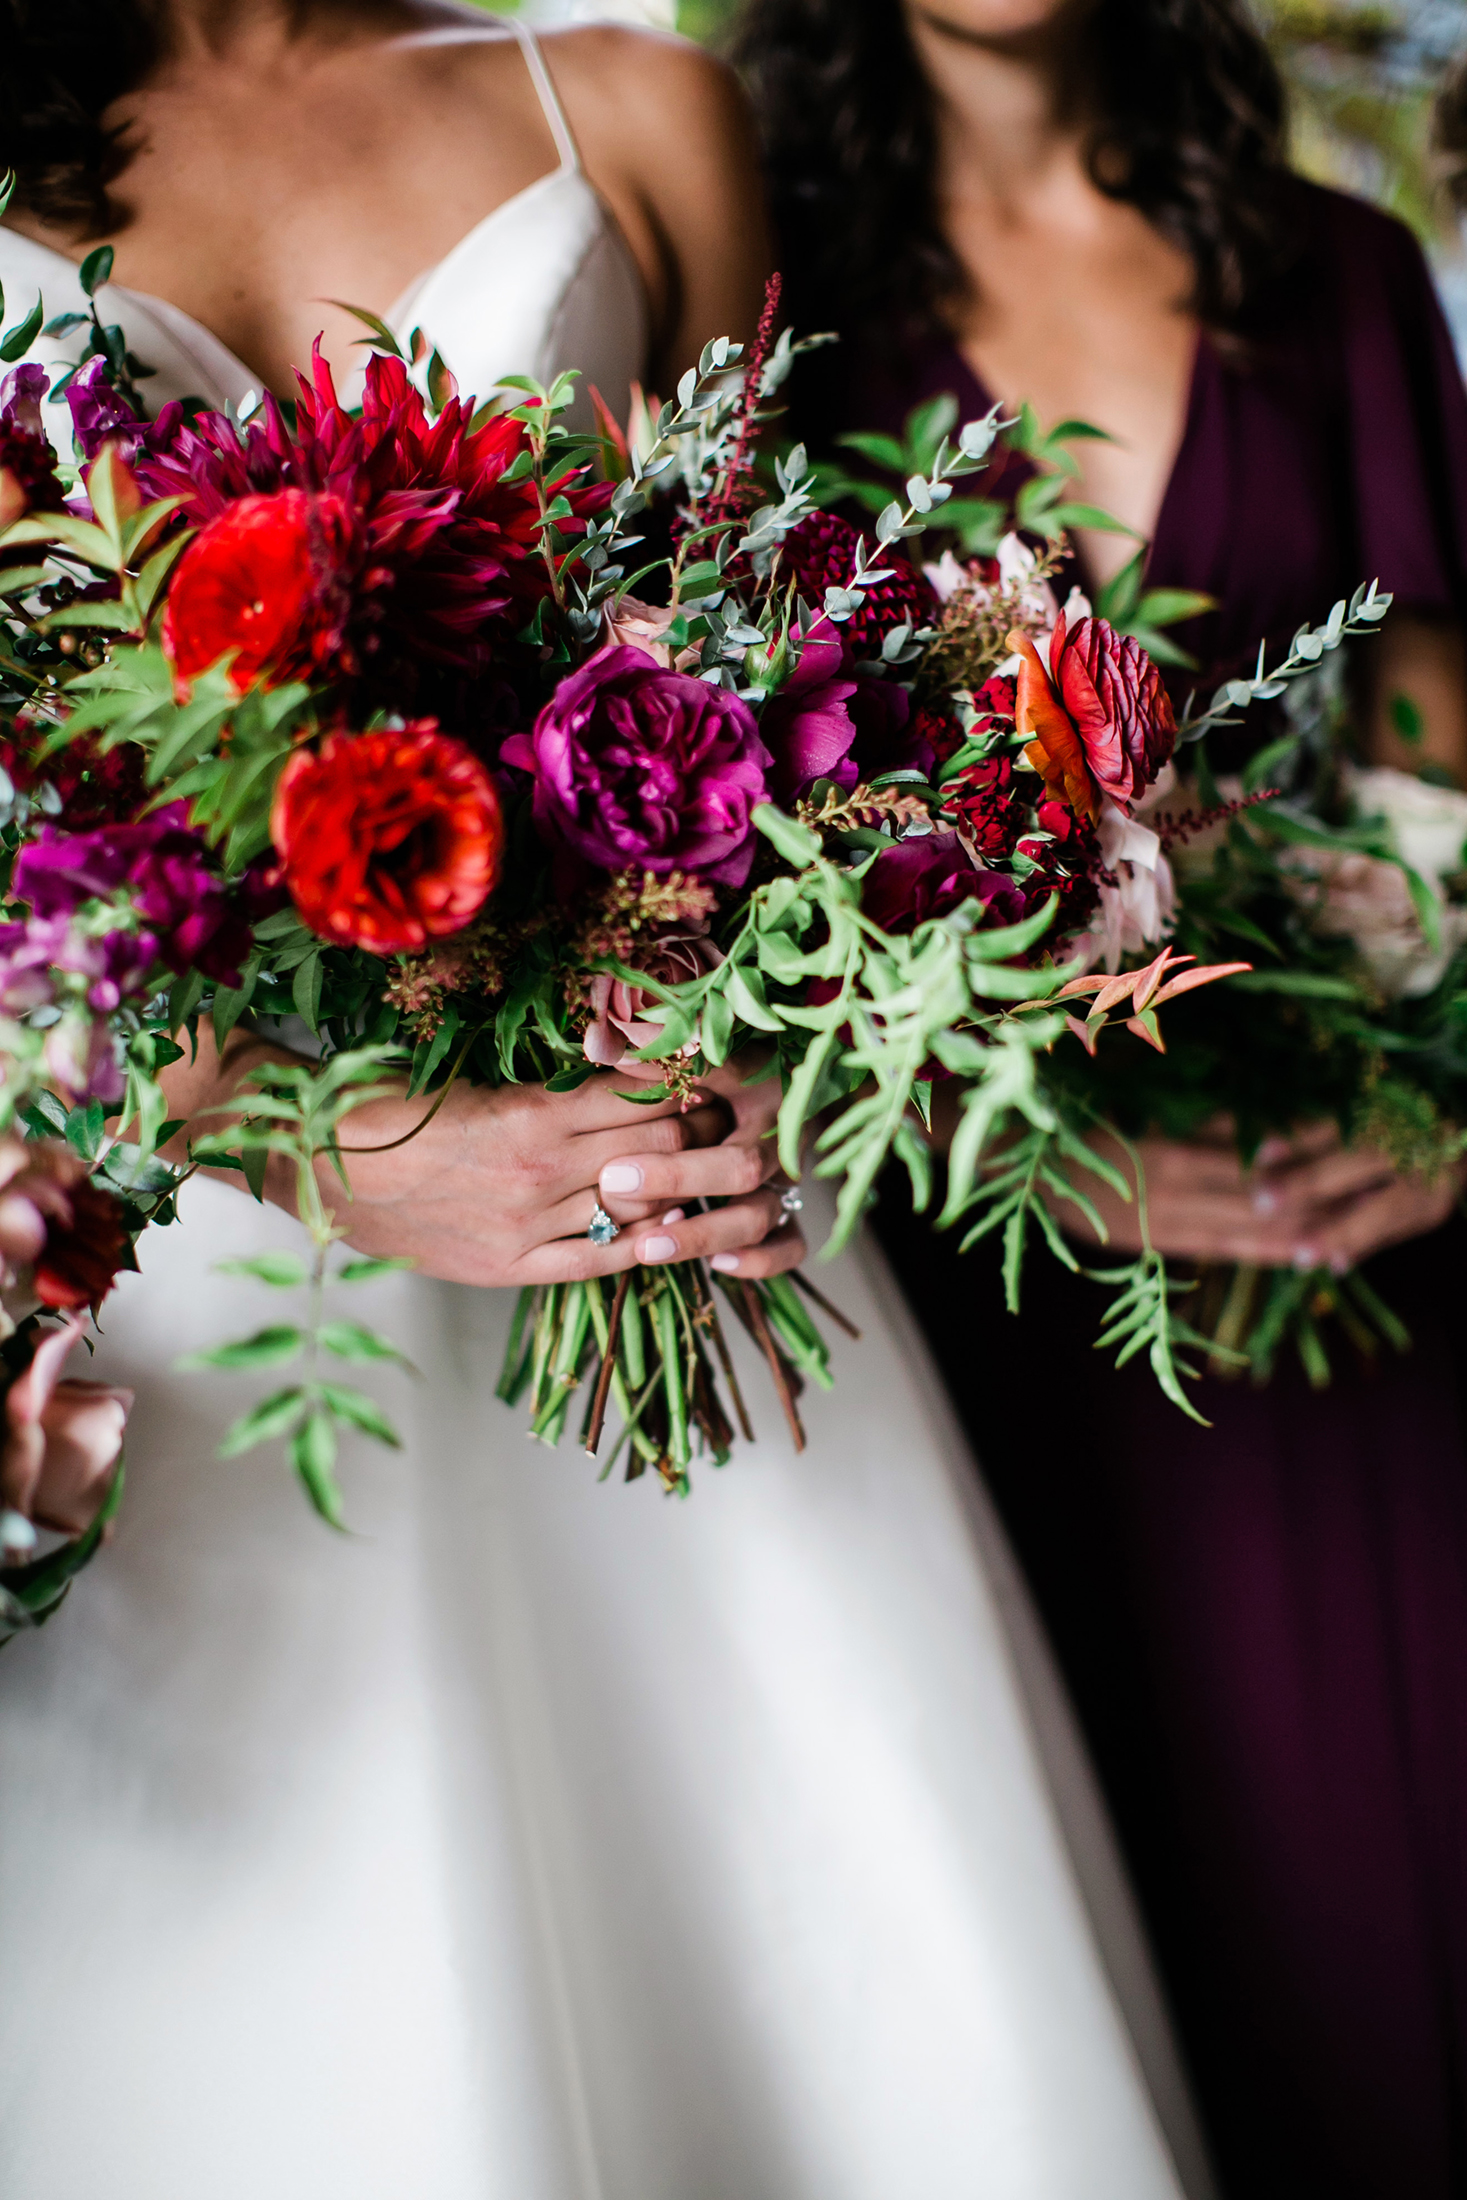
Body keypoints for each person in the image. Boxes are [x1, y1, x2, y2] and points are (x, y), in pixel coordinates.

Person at [0, 6, 1215, 2197]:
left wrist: (712, 966)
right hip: (192, 1293)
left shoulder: (624, 98)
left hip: (660, 1196)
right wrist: (319, 1146)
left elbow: (748, 665)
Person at [733, 2, 1467, 2195]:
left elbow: (1431, 771)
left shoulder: (1319, 269)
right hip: (987, 1308)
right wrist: (1028, 1162)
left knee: (1387, 1920)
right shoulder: (759, 300)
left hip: (1342, 1271)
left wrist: (1445, 1107)